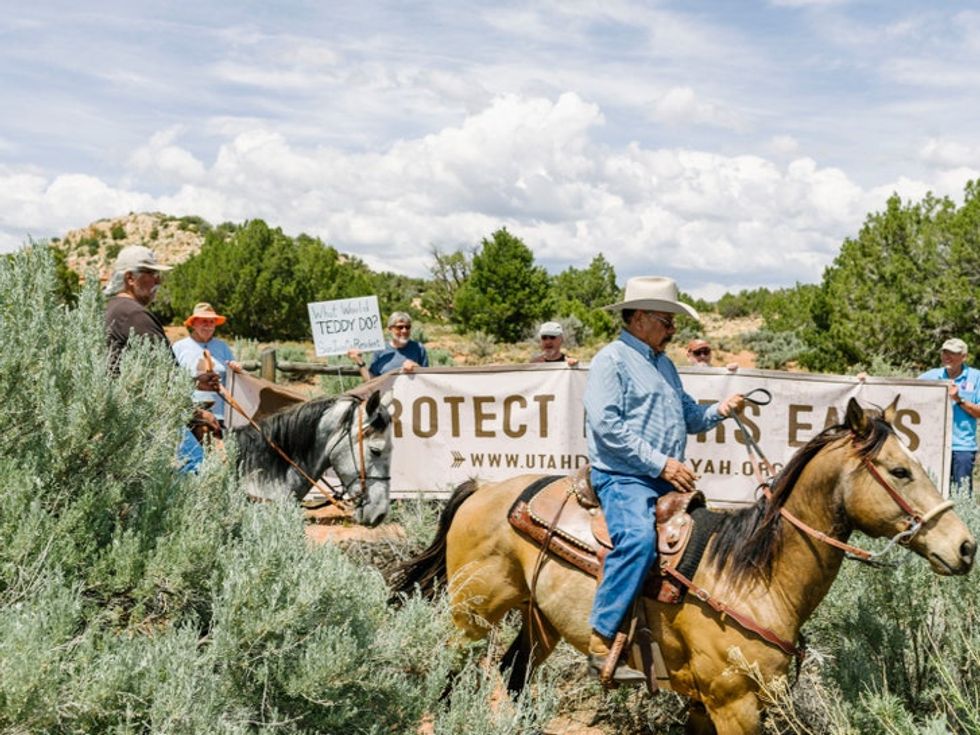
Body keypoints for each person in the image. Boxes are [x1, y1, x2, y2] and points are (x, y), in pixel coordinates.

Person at [583, 276, 745, 684]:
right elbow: (607, 427)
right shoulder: (611, 360)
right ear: (638, 318)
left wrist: (720, 411)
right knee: (637, 541)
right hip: (623, 477)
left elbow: (689, 415)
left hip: (661, 479)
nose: (673, 330)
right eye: (666, 321)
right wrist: (661, 466)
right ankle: (601, 638)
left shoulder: (665, 364)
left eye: (673, 323)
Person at [104, 245, 220, 472]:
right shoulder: (135, 314)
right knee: (197, 472)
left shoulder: (112, 309)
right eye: (152, 274)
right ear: (130, 278)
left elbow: (139, 372)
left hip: (121, 419)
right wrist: (196, 415)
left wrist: (196, 381)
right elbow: (165, 377)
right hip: (146, 419)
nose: (158, 281)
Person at [919, 338, 980, 497]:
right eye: (945, 352)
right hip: (934, 447)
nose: (948, 356)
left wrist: (959, 399)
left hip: (963, 448)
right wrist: (866, 380)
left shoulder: (976, 377)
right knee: (933, 495)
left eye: (953, 353)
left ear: (964, 357)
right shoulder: (931, 375)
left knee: (962, 495)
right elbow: (901, 388)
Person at [172, 302, 242, 426]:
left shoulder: (223, 347)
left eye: (211, 322)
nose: (208, 325)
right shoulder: (179, 348)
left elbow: (233, 378)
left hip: (221, 416)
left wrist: (235, 368)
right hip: (189, 416)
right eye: (203, 321)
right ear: (193, 323)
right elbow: (171, 380)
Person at [348, 311, 429, 380]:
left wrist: (417, 368)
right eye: (400, 327)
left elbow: (428, 378)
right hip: (386, 395)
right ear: (390, 329)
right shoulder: (380, 350)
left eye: (407, 327)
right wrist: (359, 360)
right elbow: (371, 380)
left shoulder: (419, 348)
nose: (404, 330)